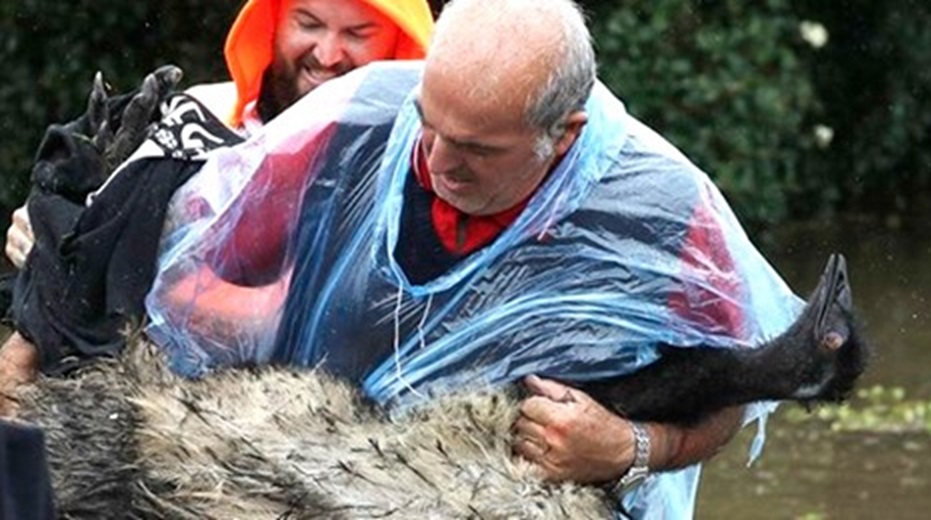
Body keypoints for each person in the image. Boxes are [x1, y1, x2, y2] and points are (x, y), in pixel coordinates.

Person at [146, 0, 804, 517]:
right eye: (428, 122)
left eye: (477, 150)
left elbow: (729, 390)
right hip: (318, 483)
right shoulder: (357, 123)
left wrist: (632, 447)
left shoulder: (657, 212)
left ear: (561, 133)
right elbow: (188, 275)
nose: (433, 161)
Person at [0, 0, 433, 409]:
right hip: (119, 406)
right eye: (308, 23)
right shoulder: (195, 114)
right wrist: (46, 235)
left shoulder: (414, 171)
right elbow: (76, 227)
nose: (327, 53)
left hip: (289, 429)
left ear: (399, 41)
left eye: (358, 33)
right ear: (272, 24)